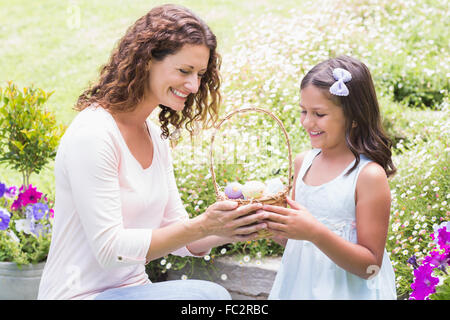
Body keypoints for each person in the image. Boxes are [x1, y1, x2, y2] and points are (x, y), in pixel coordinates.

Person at [38, 4, 268, 300]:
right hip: (80, 295)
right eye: (184, 71)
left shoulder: (154, 135)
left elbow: (177, 232)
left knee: (209, 297)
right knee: (207, 297)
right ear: (146, 61)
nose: (194, 85)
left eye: (200, 74)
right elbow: (111, 251)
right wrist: (201, 225)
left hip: (133, 291)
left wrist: (231, 227)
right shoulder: (94, 134)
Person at [262, 55, 398, 299]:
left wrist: (315, 232)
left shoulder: (368, 177)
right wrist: (270, 225)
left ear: (354, 117)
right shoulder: (303, 163)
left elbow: (370, 266)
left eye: (319, 114)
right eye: (303, 111)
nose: (307, 122)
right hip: (300, 288)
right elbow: (297, 242)